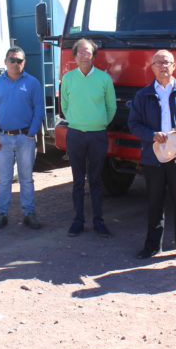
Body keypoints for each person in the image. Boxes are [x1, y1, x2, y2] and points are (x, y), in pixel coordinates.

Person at [128, 49, 176, 263]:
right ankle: (152, 246)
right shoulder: (143, 96)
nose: (163, 66)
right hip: (154, 156)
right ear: (152, 67)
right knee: (154, 202)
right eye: (159, 62)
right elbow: (133, 124)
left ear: (174, 67)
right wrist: (152, 135)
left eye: (167, 62)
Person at [59, 38, 116, 238]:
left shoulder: (104, 79)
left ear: (94, 56)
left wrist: (97, 123)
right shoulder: (68, 78)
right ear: (74, 56)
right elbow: (64, 106)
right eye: (80, 52)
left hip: (97, 135)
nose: (84, 56)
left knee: (96, 180)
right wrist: (77, 121)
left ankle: (99, 221)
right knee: (77, 180)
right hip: (75, 134)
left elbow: (111, 107)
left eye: (88, 52)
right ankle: (78, 220)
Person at [0, 46, 45, 230]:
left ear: (24, 62)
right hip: (2, 138)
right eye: (12, 60)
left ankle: (29, 213)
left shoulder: (32, 83)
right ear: (5, 62)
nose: (15, 63)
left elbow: (39, 109)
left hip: (24, 138)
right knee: (4, 179)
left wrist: (31, 133)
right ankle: (1, 214)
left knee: (26, 178)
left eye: (19, 60)